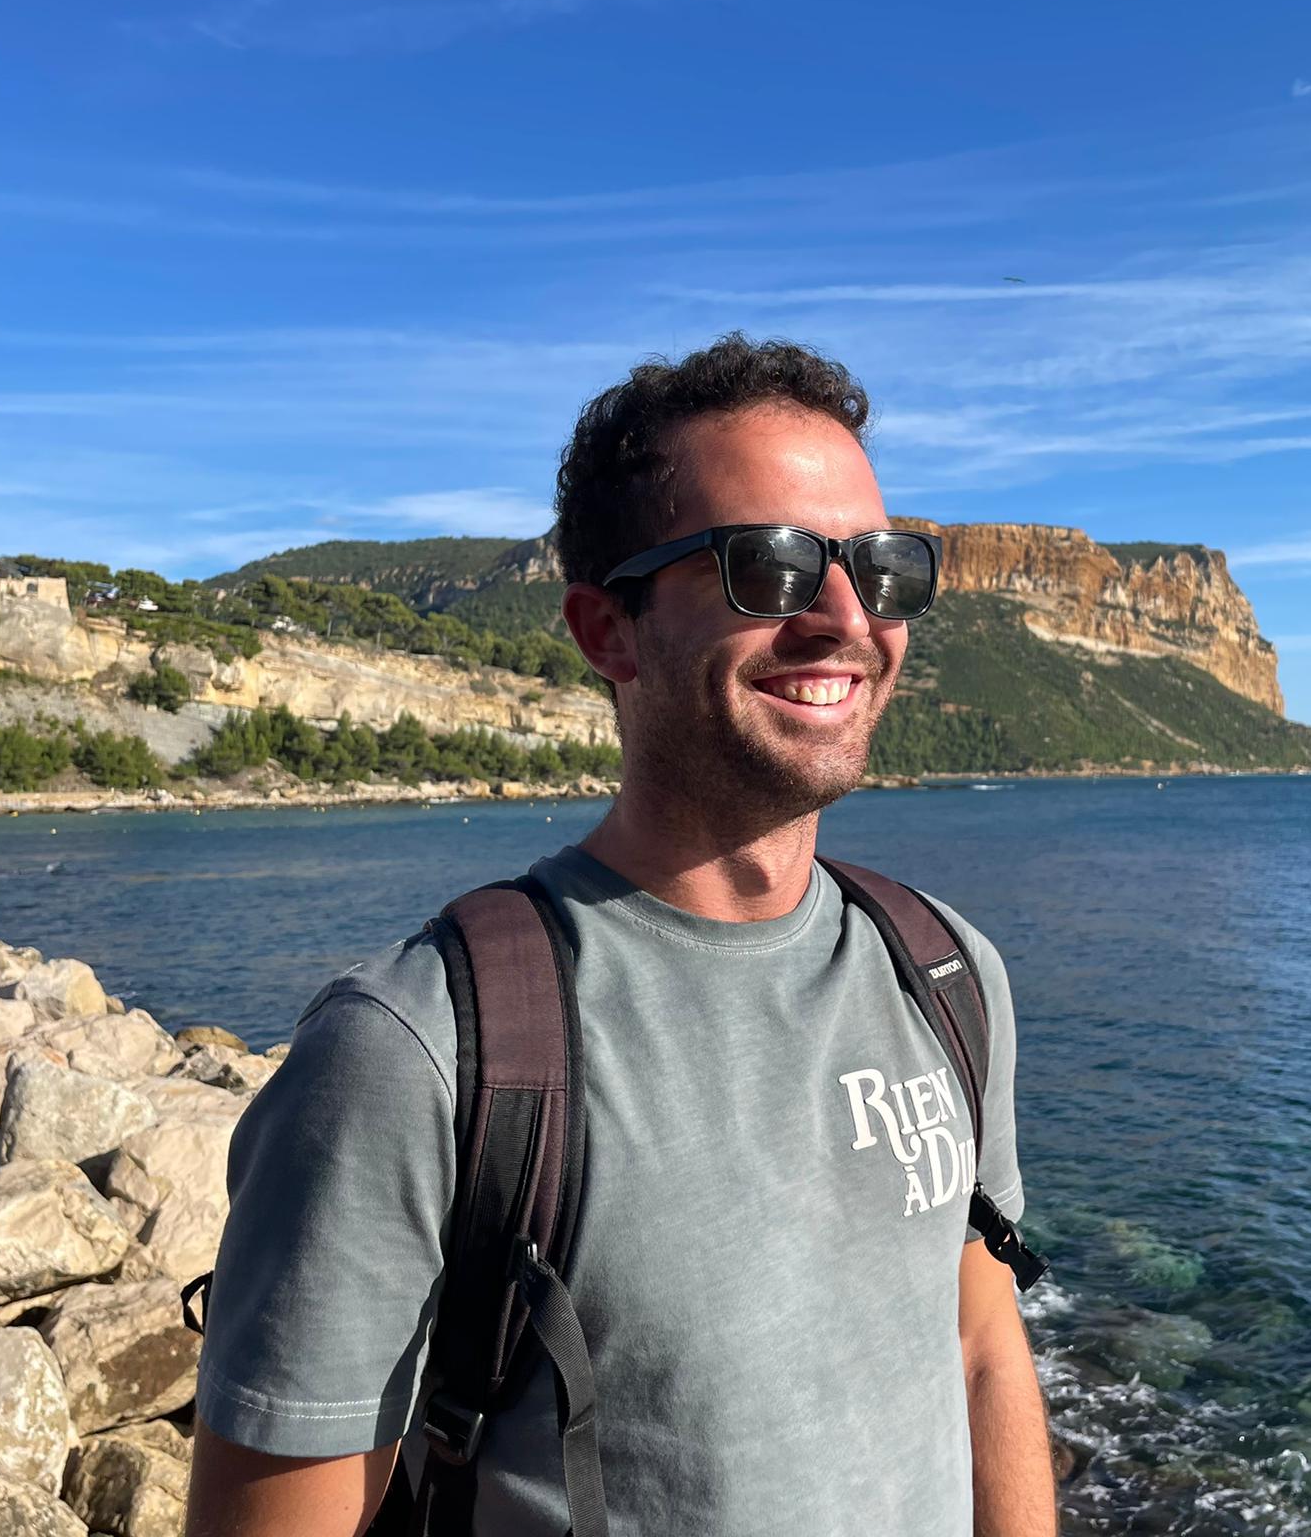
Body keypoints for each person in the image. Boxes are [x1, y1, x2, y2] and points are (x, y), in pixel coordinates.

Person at [184, 334, 1057, 1537]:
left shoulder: (946, 971)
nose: (848, 617)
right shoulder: (417, 1055)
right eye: (773, 565)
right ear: (607, 631)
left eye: (881, 565)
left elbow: (977, 1345)